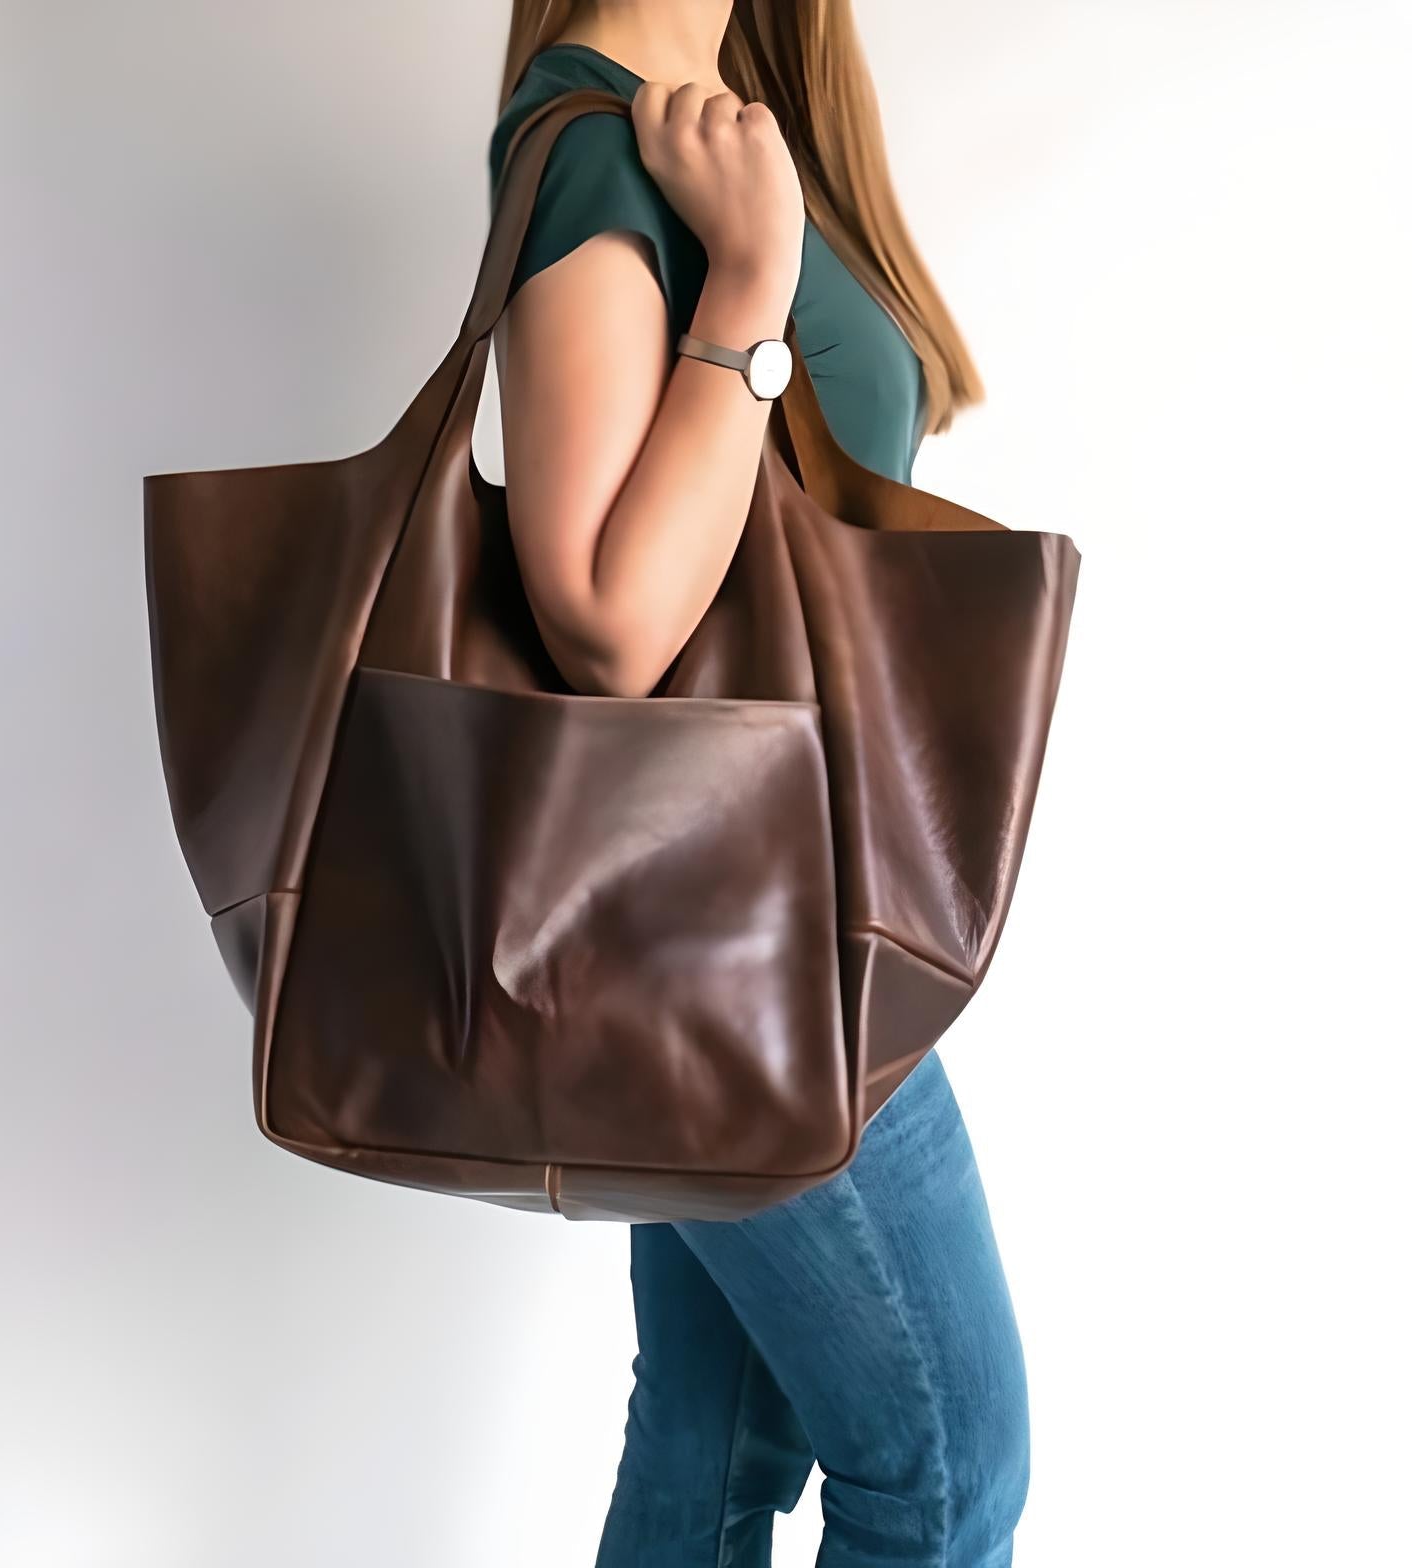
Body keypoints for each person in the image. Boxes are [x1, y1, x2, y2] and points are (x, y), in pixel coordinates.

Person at [486, 5, 1028, 1564]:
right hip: (739, 944)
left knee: (717, 1440)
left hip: (771, 905)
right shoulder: (601, 147)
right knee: (945, 1475)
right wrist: (746, 285)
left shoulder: (721, 114)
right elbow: (606, 618)